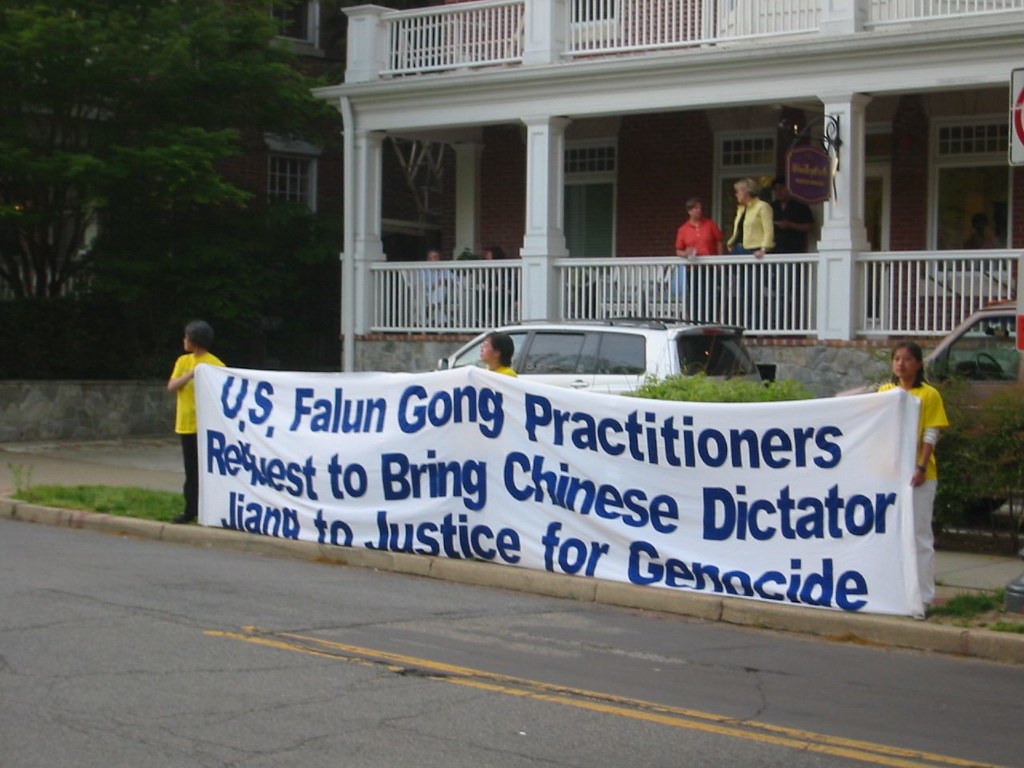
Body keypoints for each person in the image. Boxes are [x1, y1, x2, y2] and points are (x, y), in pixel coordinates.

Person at [878, 341, 949, 610]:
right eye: (897, 359)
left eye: (907, 359)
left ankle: (924, 595)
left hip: (919, 474)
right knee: (892, 533)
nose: (901, 364)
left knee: (919, 535)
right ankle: (896, 590)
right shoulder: (885, 392)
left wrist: (920, 466)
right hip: (891, 473)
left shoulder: (928, 395)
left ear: (918, 364)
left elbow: (931, 433)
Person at [167, 320, 225, 524]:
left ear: (194, 341)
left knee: (207, 470)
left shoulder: (215, 364)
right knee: (191, 470)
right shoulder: (183, 361)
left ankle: (212, 508)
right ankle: (190, 509)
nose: (184, 340)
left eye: (187, 337)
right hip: (186, 424)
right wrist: (191, 374)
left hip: (206, 426)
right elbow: (172, 385)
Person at [726, 178, 774, 257]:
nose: (736, 195)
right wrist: (731, 244)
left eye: (737, 192)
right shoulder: (741, 209)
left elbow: (768, 231)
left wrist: (763, 250)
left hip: (754, 250)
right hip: (738, 248)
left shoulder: (762, 206)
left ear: (746, 192)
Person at [770, 176, 815, 254]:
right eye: (775, 189)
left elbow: (810, 226)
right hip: (775, 250)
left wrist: (791, 225)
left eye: (781, 188)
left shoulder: (800, 205)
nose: (778, 192)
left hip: (795, 250)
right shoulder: (771, 207)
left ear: (789, 188)